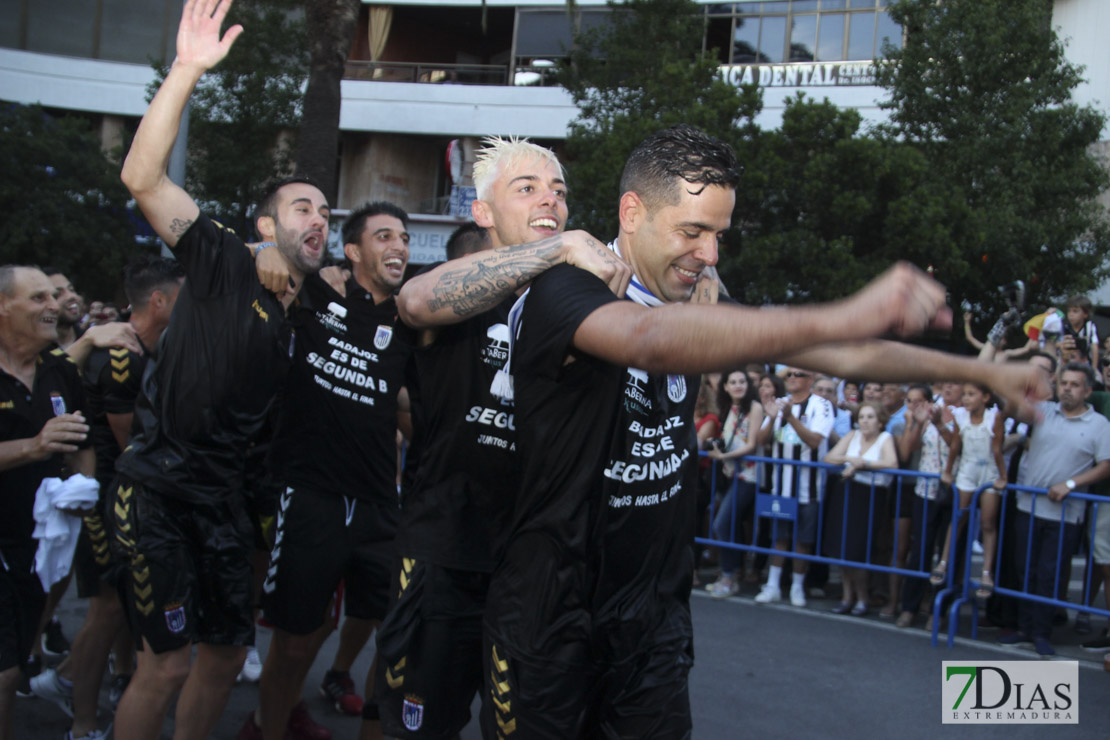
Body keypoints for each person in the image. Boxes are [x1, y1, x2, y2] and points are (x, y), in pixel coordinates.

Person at [479, 124, 1046, 738]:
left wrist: (978, 371)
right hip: (550, 613)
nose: (710, 255)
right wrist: (847, 309)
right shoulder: (567, 286)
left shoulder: (702, 299)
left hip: (652, 618)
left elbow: (844, 355)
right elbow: (650, 339)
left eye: (719, 235)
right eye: (692, 232)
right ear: (633, 212)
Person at [111, 1, 330, 737]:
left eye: (327, 212)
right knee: (165, 665)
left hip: (233, 512)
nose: (319, 220)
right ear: (265, 225)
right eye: (302, 207)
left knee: (223, 656)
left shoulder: (314, 313)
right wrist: (186, 71)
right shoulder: (223, 263)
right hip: (161, 493)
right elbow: (142, 175)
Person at [376, 136, 629, 740]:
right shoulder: (458, 286)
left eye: (560, 191)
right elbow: (414, 300)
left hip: (536, 573)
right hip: (445, 555)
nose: (551, 200)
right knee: (416, 725)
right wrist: (554, 251)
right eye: (529, 188)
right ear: (482, 211)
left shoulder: (576, 302)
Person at [239, 201, 416, 740]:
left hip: (380, 503)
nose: (400, 246)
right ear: (353, 251)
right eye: (384, 236)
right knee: (294, 638)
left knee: (395, 634)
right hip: (309, 493)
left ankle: (338, 709)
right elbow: (223, 257)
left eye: (405, 238)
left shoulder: (412, 318)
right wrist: (268, 248)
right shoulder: (316, 292)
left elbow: (410, 409)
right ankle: (265, 726)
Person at [30, 258, 184, 740]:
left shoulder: (147, 347)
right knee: (107, 609)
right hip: (106, 494)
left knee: (118, 606)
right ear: (159, 301)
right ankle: (79, 716)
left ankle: (78, 682)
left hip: (121, 494)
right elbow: (130, 445)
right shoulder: (121, 354)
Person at [0, 265, 95, 740]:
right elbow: (45, 443)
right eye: (38, 298)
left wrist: (85, 488)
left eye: (53, 298)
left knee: (15, 667)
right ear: (3, 306)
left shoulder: (59, 369)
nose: (53, 306)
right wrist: (34, 448)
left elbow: (82, 442)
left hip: (35, 547)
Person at [1000, 363, 1110, 656]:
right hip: (1028, 505)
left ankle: (1042, 632)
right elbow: (1010, 407)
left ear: (1087, 391)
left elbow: (1106, 466)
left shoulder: (1099, 425)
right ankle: (1024, 627)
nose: (1068, 389)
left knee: (1050, 575)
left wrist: (1071, 483)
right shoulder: (1044, 411)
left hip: (1065, 513)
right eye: (1064, 383)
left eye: (1075, 385)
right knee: (1025, 570)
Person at [754, 367, 835, 607]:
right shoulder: (779, 403)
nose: (790, 378)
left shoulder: (821, 405)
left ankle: (797, 587)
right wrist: (771, 418)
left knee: (803, 540)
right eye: (788, 375)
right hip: (781, 485)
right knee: (779, 537)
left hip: (808, 485)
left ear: (810, 379)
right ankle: (773, 585)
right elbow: (761, 440)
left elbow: (815, 440)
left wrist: (789, 418)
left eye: (797, 375)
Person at [823, 401, 898, 616]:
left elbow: (891, 463)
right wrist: (849, 459)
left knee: (857, 550)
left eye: (871, 417)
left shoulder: (885, 438)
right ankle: (847, 597)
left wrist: (862, 463)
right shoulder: (852, 436)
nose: (865, 421)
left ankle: (862, 598)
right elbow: (829, 457)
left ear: (881, 421)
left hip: (870, 496)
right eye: (862, 417)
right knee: (843, 549)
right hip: (846, 492)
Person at [934, 383, 1006, 597]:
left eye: (971, 394)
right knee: (959, 517)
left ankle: (986, 572)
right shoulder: (961, 416)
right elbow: (956, 446)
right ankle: (943, 562)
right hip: (967, 468)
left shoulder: (995, 417)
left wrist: (1003, 477)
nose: (966, 398)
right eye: (964, 394)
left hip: (989, 470)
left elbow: (997, 449)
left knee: (987, 522)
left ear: (985, 397)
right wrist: (948, 472)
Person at [704, 368, 764, 596]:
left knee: (721, 524)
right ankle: (732, 573)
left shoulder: (755, 407)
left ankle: (729, 576)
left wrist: (722, 456)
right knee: (730, 524)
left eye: (742, 381)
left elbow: (751, 444)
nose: (738, 385)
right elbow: (731, 439)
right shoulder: (729, 408)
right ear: (726, 387)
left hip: (747, 475)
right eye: (733, 382)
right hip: (729, 473)